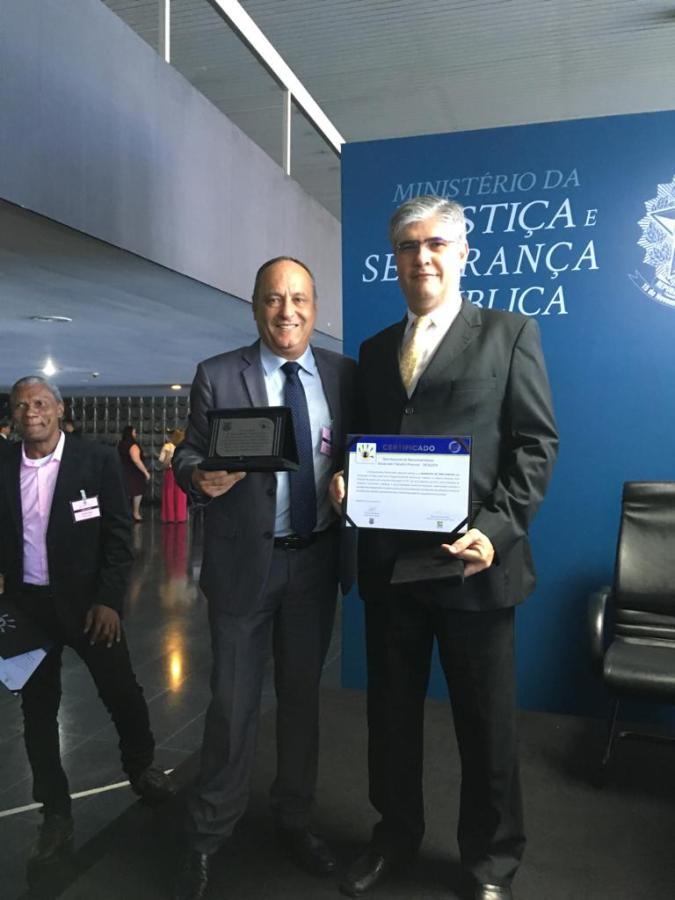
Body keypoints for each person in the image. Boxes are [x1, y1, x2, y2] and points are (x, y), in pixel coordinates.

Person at [332, 196, 559, 900]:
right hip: (391, 569)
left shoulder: (509, 333)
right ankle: (394, 837)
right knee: (391, 720)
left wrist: (495, 531)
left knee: (486, 729)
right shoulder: (375, 351)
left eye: (435, 244)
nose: (421, 258)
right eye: (408, 246)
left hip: (473, 567)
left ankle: (491, 863)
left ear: (462, 254)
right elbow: (363, 444)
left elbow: (535, 445)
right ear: (394, 260)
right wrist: (345, 480)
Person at [172, 256, 356, 900]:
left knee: (302, 702)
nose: (288, 311)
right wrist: (196, 475)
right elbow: (190, 451)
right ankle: (208, 833)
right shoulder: (219, 374)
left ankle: (295, 820)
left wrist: (354, 478)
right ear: (255, 306)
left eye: (299, 298)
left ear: (315, 307)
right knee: (232, 703)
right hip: (243, 566)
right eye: (274, 298)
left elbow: (359, 449)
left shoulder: (343, 375)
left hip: (315, 562)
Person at [0, 376, 174, 882]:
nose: (30, 412)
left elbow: (118, 534)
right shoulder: (4, 463)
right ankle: (55, 812)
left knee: (122, 691)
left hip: (88, 606)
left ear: (59, 409)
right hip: (28, 610)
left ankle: (140, 767)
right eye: (20, 405)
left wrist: (108, 601)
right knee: (37, 714)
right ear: (12, 415)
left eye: (40, 403)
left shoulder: (94, 461)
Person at [117, 424, 150, 522]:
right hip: (134, 473)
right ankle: (136, 513)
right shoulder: (133, 445)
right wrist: (145, 472)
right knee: (137, 492)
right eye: (134, 432)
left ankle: (124, 514)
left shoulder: (121, 444)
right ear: (130, 433)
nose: (135, 434)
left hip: (123, 471)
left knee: (125, 493)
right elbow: (136, 460)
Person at [159, 428, 188, 523]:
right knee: (176, 494)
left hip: (175, 471)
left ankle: (174, 517)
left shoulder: (172, 447)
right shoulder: (176, 447)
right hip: (176, 471)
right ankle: (175, 517)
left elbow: (164, 463)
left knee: (174, 494)